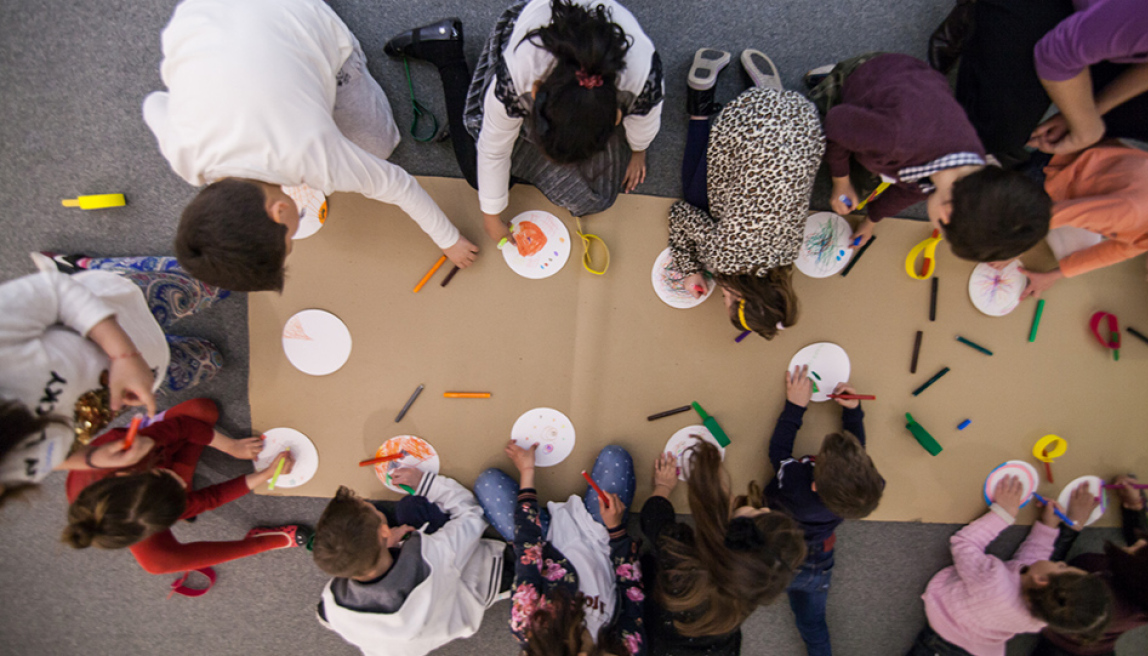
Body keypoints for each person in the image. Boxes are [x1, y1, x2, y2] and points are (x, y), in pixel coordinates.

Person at [145, 0, 478, 293]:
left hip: (297, 14)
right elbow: (154, 104)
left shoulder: (313, 159)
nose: (293, 240)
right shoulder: (184, 156)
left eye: (289, 241)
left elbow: (399, 184)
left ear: (279, 212)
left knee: (379, 146)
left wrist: (450, 241)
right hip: (201, 14)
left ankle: (347, 53)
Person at [386, 0, 664, 246]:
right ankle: (447, 56)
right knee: (479, 170)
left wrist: (639, 149)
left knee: (596, 198)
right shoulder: (520, 72)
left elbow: (646, 118)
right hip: (541, 30)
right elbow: (493, 147)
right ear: (534, 96)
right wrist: (491, 215)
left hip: (593, 85)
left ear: (617, 117)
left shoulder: (641, 76)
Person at [0, 256, 228, 507]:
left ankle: (89, 266)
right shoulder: (8, 474)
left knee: (221, 280)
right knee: (211, 359)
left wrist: (124, 355)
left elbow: (56, 291)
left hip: (120, 313)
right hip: (139, 377)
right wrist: (93, 458)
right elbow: (45, 459)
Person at [805, 52, 1048, 248]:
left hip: (915, 92)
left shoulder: (967, 170)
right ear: (946, 215)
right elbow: (837, 122)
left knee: (863, 185)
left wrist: (872, 220)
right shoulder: (897, 140)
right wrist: (840, 181)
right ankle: (829, 78)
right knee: (810, 139)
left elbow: (913, 190)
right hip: (867, 77)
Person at [669, 48, 823, 339]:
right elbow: (679, 215)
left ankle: (770, 93)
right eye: (726, 300)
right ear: (739, 295)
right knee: (694, 199)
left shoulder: (787, 255)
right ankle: (699, 105)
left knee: (735, 203)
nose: (722, 297)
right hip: (747, 117)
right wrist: (690, 269)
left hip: (802, 120)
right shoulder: (723, 257)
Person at [63, 399, 309, 574]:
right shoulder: (135, 514)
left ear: (131, 472)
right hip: (143, 490)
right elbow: (209, 498)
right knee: (157, 563)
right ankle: (259, 542)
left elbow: (185, 426)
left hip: (147, 451)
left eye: (174, 480)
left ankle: (161, 440)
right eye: (181, 487)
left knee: (202, 410)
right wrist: (265, 474)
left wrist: (231, 447)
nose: (184, 482)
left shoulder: (127, 449)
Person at [936, 0, 1148, 166]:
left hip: (1133, 24)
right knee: (997, 133)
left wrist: (1088, 111)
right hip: (1130, 20)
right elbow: (1056, 54)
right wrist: (1086, 127)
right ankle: (977, 14)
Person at [907, 476, 1113, 656]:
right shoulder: (1045, 612)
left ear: (1042, 581)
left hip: (944, 638)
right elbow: (1030, 564)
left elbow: (964, 543)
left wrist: (1003, 514)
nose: (1060, 562)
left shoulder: (992, 582)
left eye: (1061, 568)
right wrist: (1047, 527)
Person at [474, 441, 644, 654]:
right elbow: (631, 590)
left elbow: (528, 551)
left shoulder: (528, 627)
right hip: (600, 535)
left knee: (487, 483)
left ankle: (540, 509)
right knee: (615, 456)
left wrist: (527, 472)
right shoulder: (628, 649)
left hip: (545, 541)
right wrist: (616, 530)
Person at [314, 472, 508, 656]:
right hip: (473, 582)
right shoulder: (431, 558)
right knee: (414, 506)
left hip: (407, 634)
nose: (366, 502)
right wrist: (426, 481)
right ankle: (505, 584)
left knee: (400, 511)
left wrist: (387, 544)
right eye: (367, 506)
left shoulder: (332, 600)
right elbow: (472, 514)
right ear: (384, 532)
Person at [640, 441, 806, 655]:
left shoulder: (679, 558)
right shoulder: (752, 584)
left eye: (758, 514)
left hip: (657, 625)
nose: (764, 507)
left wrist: (663, 486)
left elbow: (654, 517)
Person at [943, 144, 1148, 299]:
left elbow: (1115, 252)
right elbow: (1046, 214)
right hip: (1057, 172)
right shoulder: (1132, 213)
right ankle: (999, 171)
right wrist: (1014, 249)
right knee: (994, 220)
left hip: (1087, 198)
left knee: (1079, 254)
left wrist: (1054, 275)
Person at [765, 365, 884, 656]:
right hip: (818, 563)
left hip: (775, 549)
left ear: (815, 484)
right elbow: (858, 451)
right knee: (813, 624)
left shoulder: (795, 486)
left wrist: (794, 406)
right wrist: (852, 412)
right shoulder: (866, 486)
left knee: (757, 580)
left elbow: (778, 453)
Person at [1033, 475, 1148, 656]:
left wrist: (1072, 525)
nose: (1141, 542)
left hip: (1065, 644)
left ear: (1131, 574)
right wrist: (1134, 509)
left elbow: (1042, 570)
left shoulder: (1094, 597)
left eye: (1135, 551)